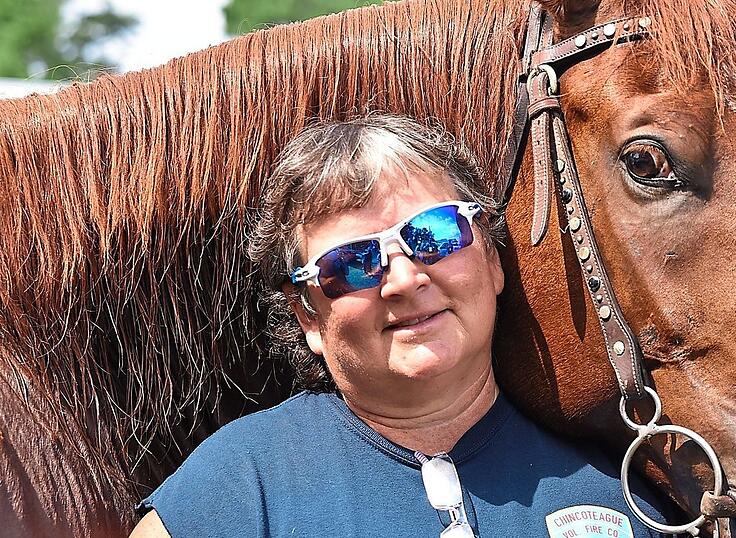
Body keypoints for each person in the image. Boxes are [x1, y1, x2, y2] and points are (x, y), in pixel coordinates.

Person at [129, 114, 668, 537]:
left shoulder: (630, 495)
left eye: (436, 232)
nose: (405, 280)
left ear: (495, 260)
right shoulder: (229, 496)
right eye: (353, 263)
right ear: (308, 317)